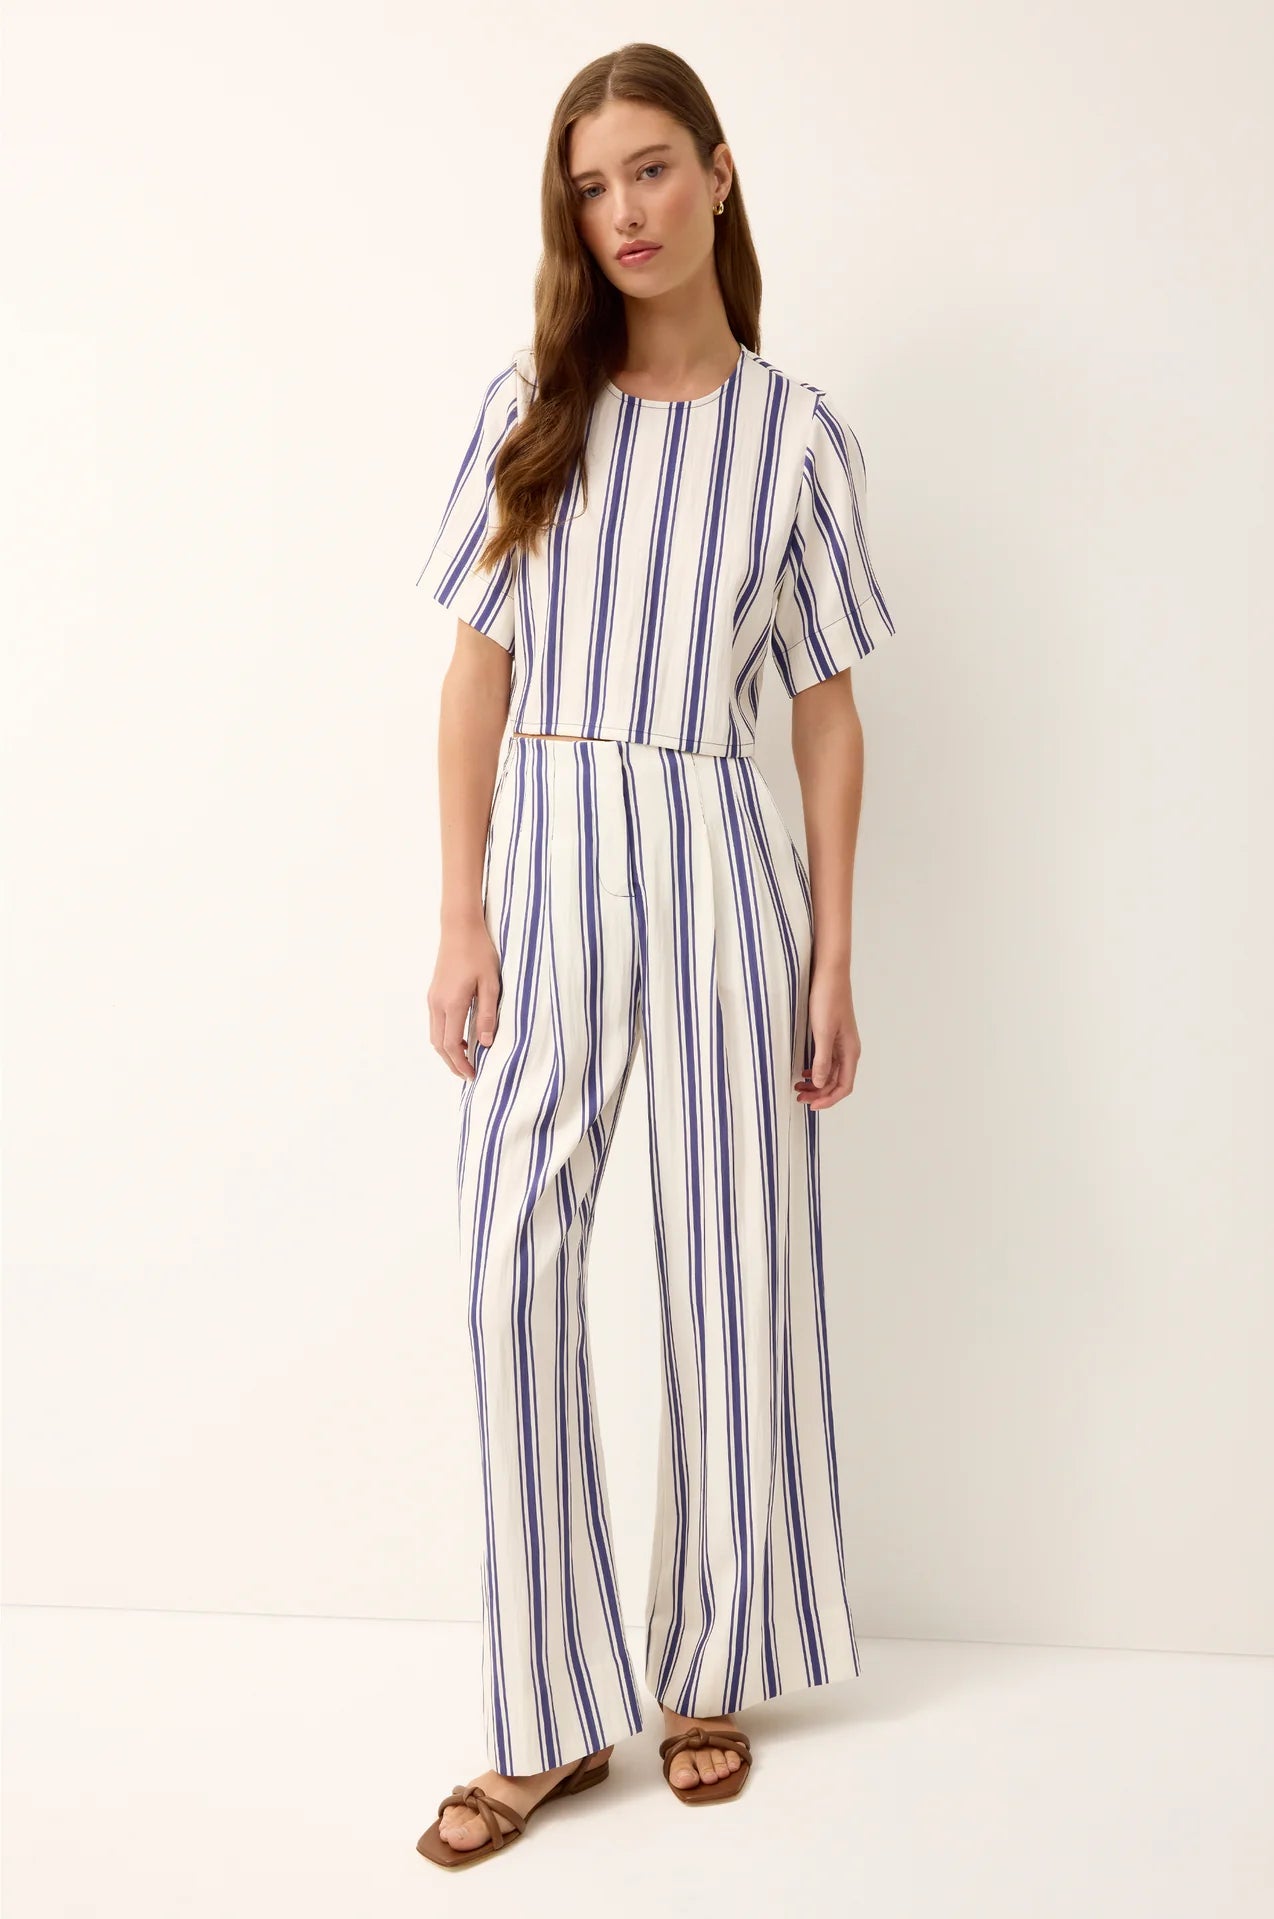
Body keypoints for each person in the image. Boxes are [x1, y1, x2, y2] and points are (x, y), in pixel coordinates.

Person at [414, 41, 896, 1870]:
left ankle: (709, 1666)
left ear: (714, 174)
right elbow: (478, 676)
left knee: (731, 1268)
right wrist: (461, 909)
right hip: (547, 848)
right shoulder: (532, 410)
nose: (620, 212)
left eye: (646, 172)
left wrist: (834, 953)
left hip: (718, 849)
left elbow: (832, 718)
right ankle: (542, 1716)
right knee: (508, 1256)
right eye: (588, 186)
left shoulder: (800, 437)